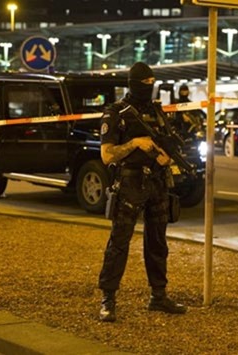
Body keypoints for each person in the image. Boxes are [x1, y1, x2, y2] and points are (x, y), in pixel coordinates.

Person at [97, 62, 187, 322]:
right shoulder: (116, 113)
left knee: (158, 243)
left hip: (158, 184)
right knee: (119, 243)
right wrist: (135, 143)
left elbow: (169, 144)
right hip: (130, 183)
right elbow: (106, 155)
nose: (149, 88)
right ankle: (108, 298)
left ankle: (158, 296)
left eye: (152, 83)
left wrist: (165, 157)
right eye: (144, 84)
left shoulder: (158, 112)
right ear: (133, 84)